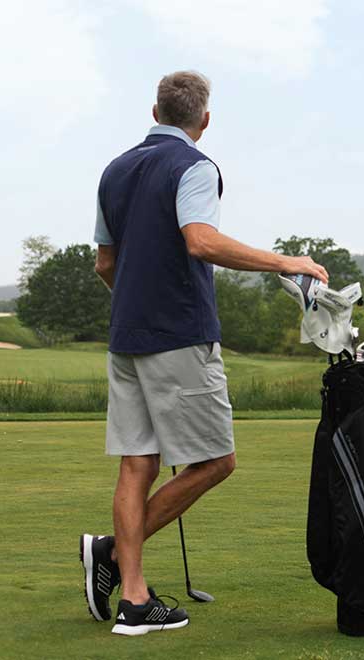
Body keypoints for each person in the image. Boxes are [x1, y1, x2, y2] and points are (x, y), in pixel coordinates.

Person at [81, 71, 329, 635]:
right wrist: (285, 261)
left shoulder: (114, 170)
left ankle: (135, 599)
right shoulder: (195, 166)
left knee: (138, 462)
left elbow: (104, 264)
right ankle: (115, 561)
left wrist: (135, 304)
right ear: (205, 121)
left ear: (155, 110)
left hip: (127, 337)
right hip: (179, 337)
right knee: (217, 461)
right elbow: (201, 240)